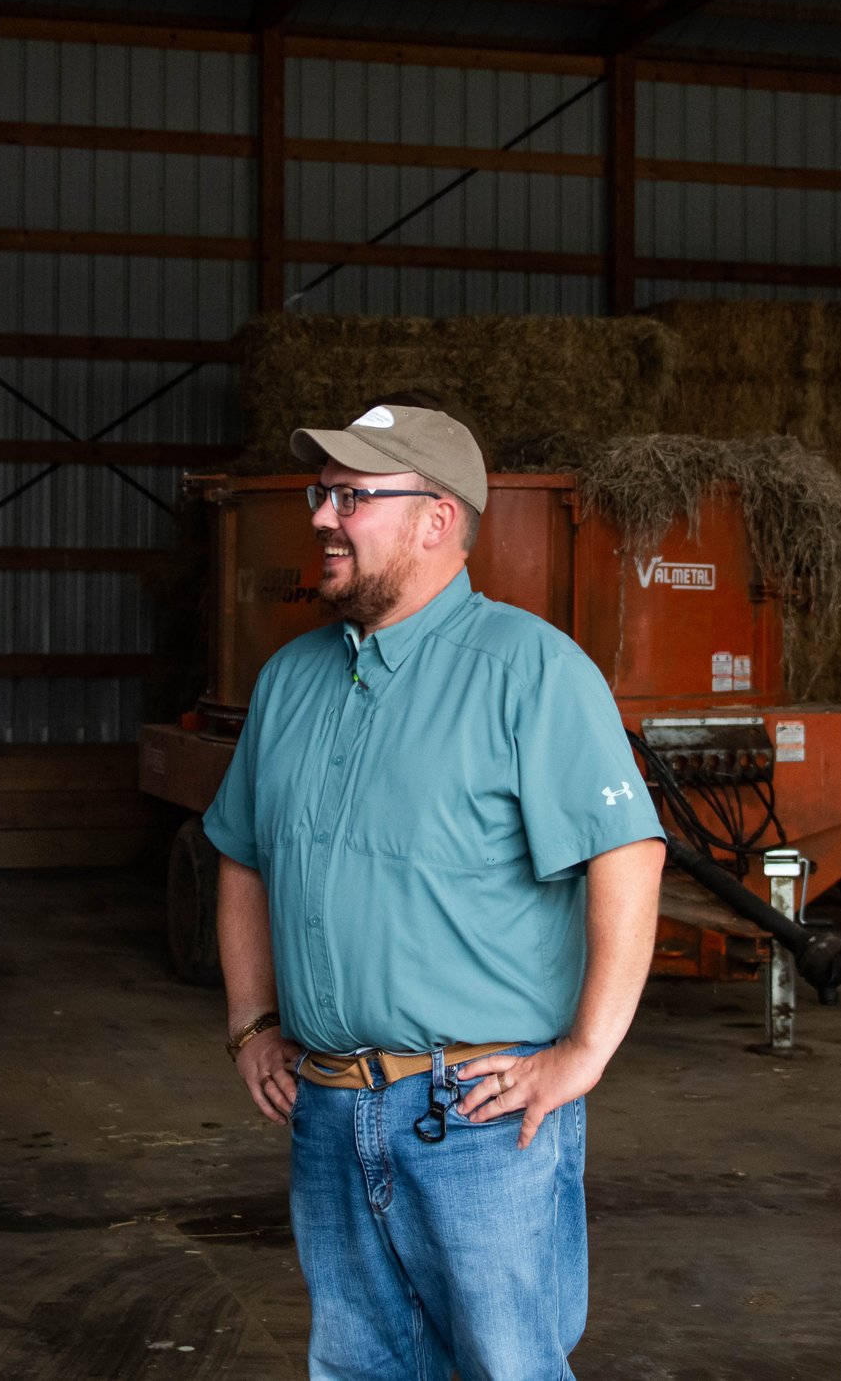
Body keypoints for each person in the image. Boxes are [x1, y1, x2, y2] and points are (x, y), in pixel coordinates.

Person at [204, 403, 669, 1381]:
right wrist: (251, 1019)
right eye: (319, 492)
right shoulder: (291, 678)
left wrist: (583, 1051)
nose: (324, 515)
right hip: (328, 1110)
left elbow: (626, 851)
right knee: (361, 1366)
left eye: (353, 496)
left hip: (480, 1116)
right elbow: (242, 851)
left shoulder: (529, 671)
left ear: (437, 520)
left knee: (508, 1366)